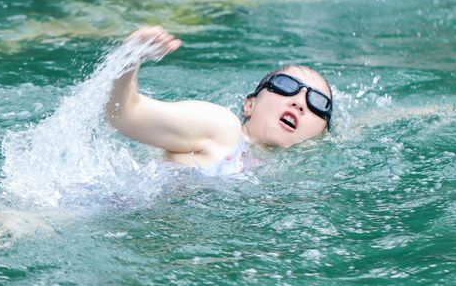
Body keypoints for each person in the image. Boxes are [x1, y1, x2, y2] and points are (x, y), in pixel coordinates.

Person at [106, 26, 333, 176]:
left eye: (318, 102)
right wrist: (131, 57)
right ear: (250, 105)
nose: (299, 102)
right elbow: (125, 115)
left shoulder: (285, 174)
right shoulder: (222, 129)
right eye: (286, 85)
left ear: (321, 133)